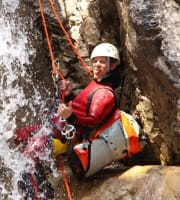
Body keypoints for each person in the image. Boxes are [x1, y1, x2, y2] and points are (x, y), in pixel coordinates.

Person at [15, 43, 147, 198]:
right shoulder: (96, 85)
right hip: (56, 130)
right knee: (20, 135)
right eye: (95, 61)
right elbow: (80, 107)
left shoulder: (105, 94)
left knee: (27, 159)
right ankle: (42, 182)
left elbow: (91, 121)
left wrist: (69, 116)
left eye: (103, 62)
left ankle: (36, 196)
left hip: (63, 138)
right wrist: (69, 95)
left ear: (113, 65)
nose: (97, 65)